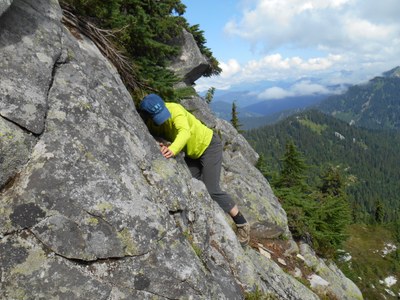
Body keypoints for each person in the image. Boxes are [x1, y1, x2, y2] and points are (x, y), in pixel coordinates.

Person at [140, 94, 250, 245]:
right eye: (158, 117)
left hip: (208, 146)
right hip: (191, 154)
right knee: (189, 184)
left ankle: (242, 224)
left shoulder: (175, 110)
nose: (163, 118)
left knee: (211, 189)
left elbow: (184, 132)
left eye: (163, 114)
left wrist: (172, 149)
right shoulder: (150, 122)